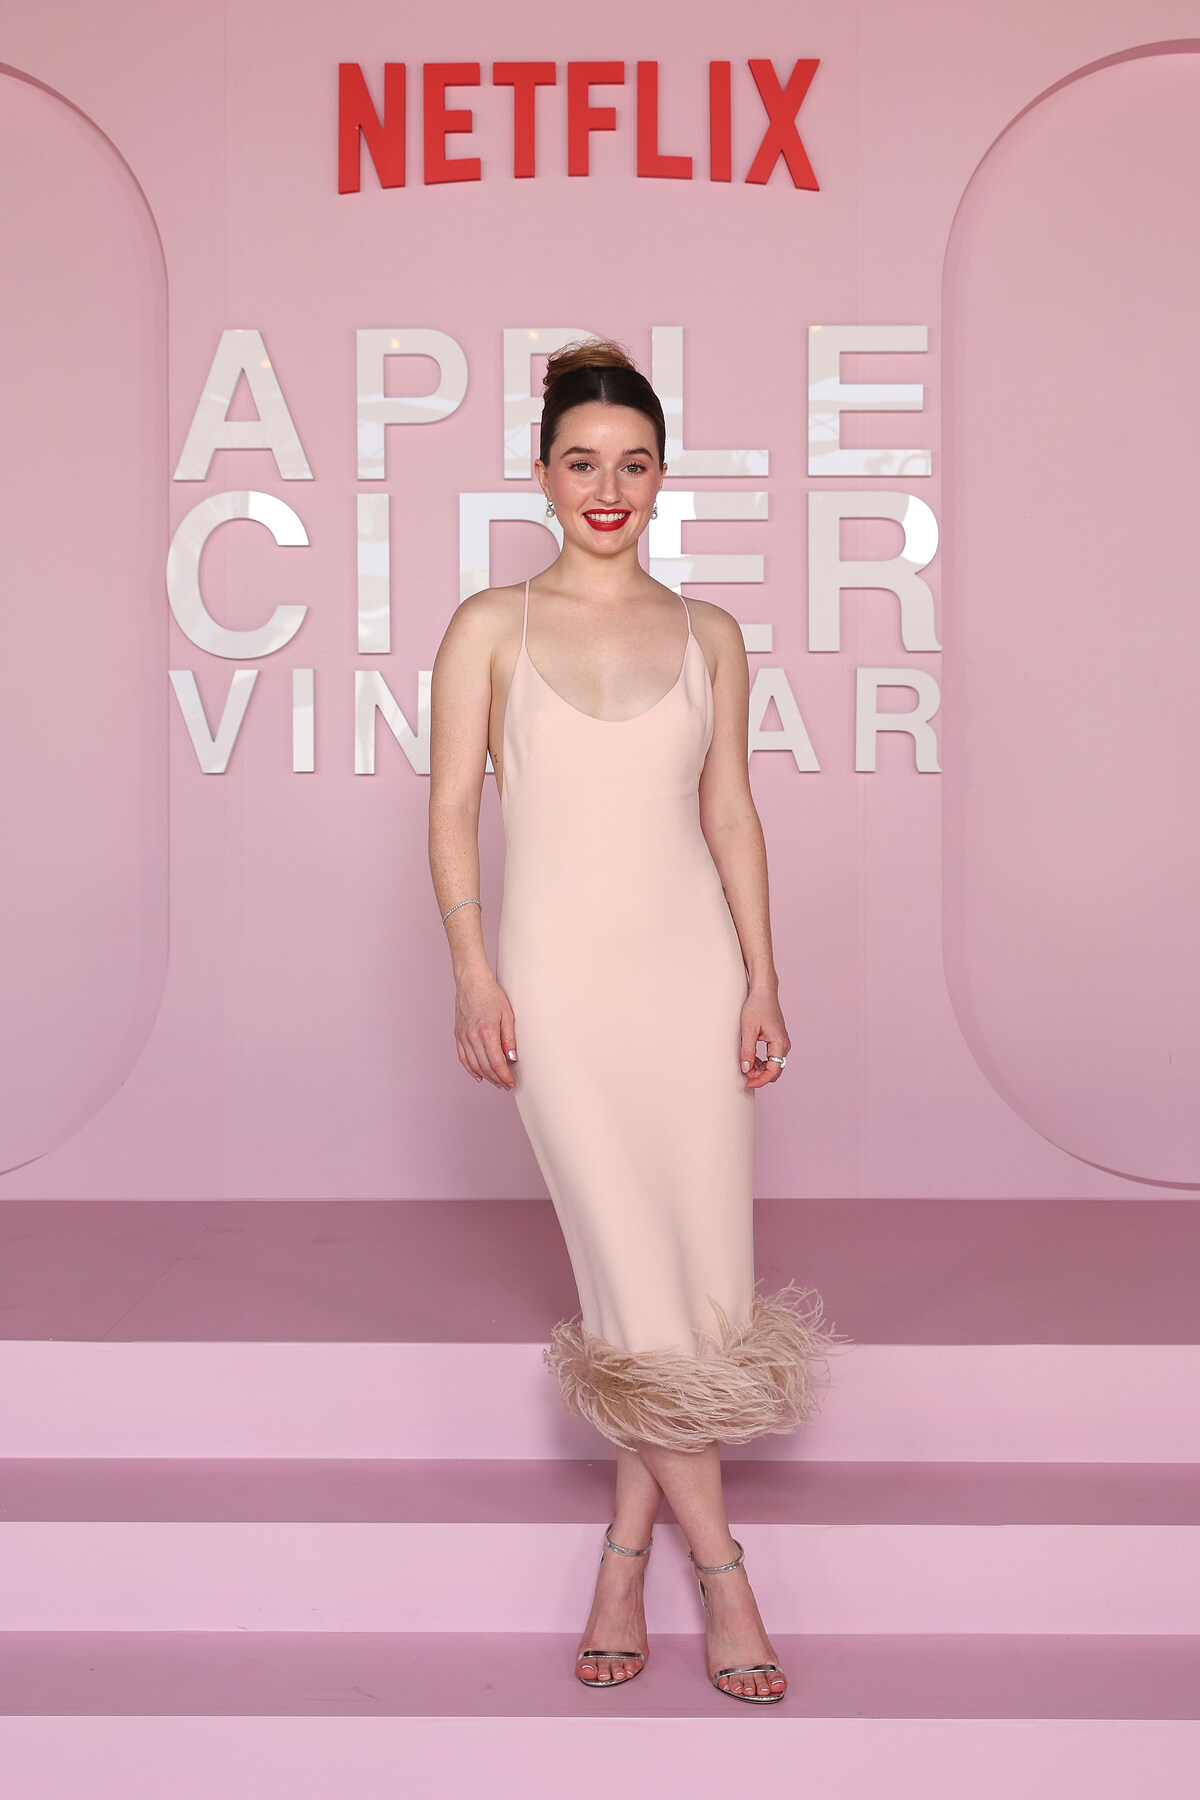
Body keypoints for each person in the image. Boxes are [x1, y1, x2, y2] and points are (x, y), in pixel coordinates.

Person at [428, 339, 837, 1704]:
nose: (609, 490)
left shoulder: (709, 633)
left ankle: (620, 1560)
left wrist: (762, 978)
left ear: (664, 477)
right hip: (558, 992)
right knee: (637, 1288)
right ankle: (727, 1576)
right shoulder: (490, 626)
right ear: (541, 474)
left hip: (691, 987)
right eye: (583, 463)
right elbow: (450, 813)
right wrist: (474, 975)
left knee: (691, 1296)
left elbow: (732, 814)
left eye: (635, 464)